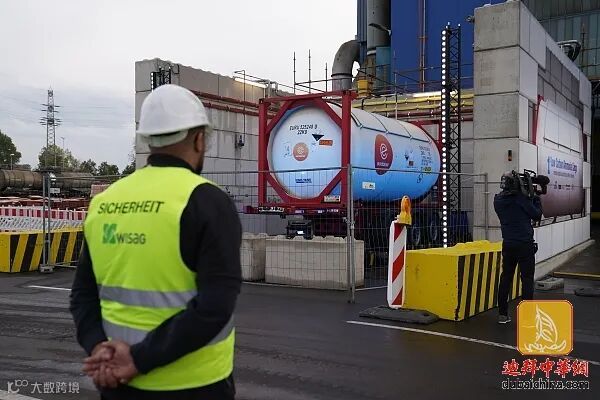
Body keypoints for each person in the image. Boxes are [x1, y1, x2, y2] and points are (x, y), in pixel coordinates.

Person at [70, 84, 242, 399]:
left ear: (148, 140)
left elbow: (83, 295)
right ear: (199, 139)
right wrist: (137, 360)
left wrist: (98, 348)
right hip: (195, 385)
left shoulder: (104, 202)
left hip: (117, 384)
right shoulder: (208, 202)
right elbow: (214, 307)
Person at [493, 171, 543, 324]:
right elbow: (537, 215)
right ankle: (527, 317)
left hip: (508, 244)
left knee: (506, 277)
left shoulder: (498, 200)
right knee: (526, 279)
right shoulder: (521, 200)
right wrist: (536, 199)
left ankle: (502, 314)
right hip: (524, 245)